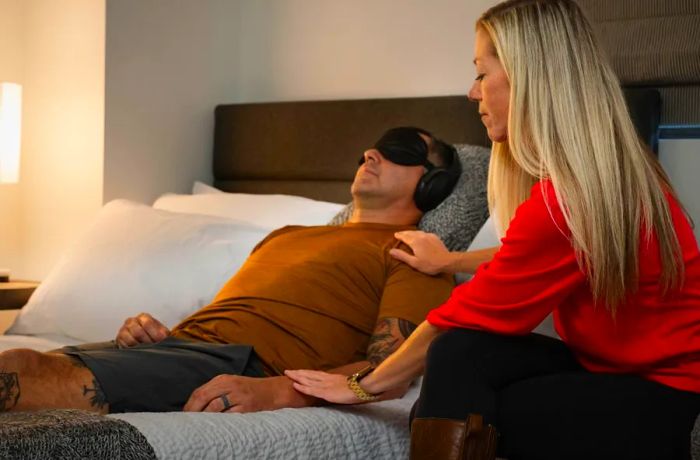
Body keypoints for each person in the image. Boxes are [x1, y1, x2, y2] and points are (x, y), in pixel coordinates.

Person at [285, 2, 700, 460]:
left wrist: (366, 384)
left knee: (456, 398)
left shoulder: (566, 200)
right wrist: (450, 262)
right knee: (459, 358)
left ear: (530, 78)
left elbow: (469, 311)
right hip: (605, 366)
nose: (472, 92)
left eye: (482, 74)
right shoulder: (603, 180)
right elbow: (522, 261)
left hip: (668, 393)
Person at [0, 126, 460, 415]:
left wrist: (282, 392)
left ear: (431, 182)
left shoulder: (414, 256)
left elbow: (392, 369)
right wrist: (153, 337)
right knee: (21, 365)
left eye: (396, 148)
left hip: (245, 363)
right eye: (371, 149)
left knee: (22, 371)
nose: (369, 154)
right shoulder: (286, 235)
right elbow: (235, 315)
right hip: (188, 348)